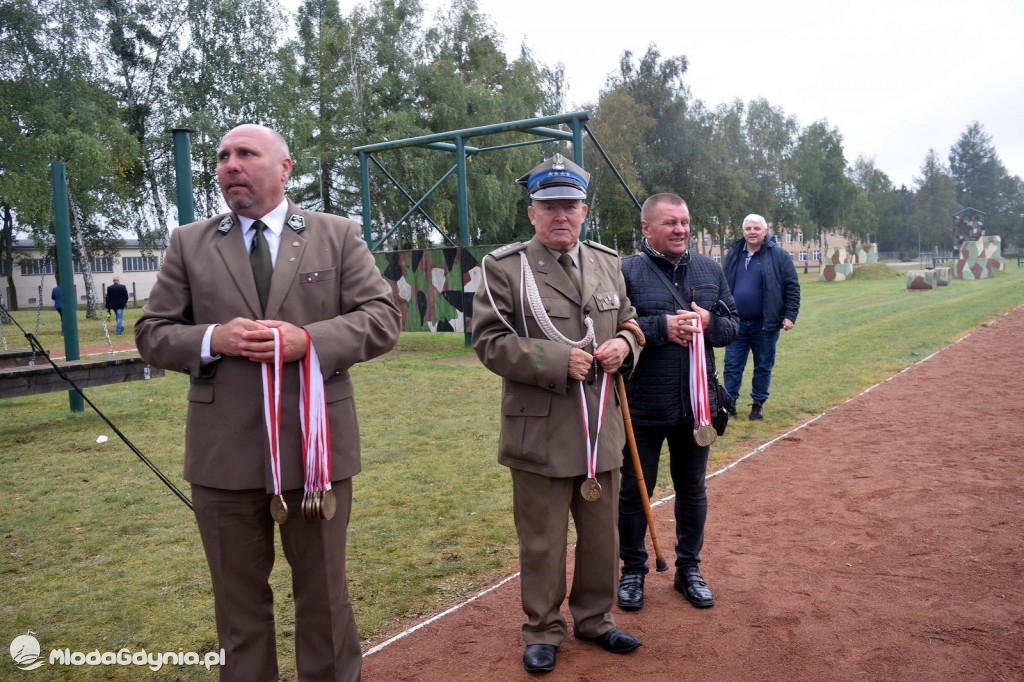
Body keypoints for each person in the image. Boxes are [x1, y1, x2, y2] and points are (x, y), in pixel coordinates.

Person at [135, 123, 401, 682]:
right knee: (238, 607)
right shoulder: (189, 241)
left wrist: (309, 340)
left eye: (245, 154)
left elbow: (382, 319)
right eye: (222, 156)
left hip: (315, 451)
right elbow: (152, 332)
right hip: (223, 456)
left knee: (325, 598)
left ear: (284, 167)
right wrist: (212, 338)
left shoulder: (336, 234)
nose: (229, 164)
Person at [472, 154, 644, 673]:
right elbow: (487, 340)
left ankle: (595, 618)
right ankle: (543, 628)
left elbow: (632, 320)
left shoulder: (607, 261)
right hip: (541, 429)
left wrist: (624, 345)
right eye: (549, 206)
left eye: (569, 205)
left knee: (601, 534)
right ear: (532, 213)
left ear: (584, 209)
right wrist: (550, 358)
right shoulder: (505, 268)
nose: (560, 215)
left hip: (601, 425)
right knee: (543, 539)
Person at [616, 193, 739, 612]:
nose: (681, 230)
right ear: (647, 228)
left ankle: (689, 570)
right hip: (642, 405)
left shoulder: (709, 269)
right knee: (635, 493)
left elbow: (733, 326)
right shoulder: (625, 271)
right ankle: (632, 570)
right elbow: (611, 329)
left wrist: (709, 322)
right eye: (671, 223)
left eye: (685, 222)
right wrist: (658, 327)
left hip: (696, 408)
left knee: (692, 490)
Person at [721, 213, 801, 420]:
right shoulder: (734, 254)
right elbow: (723, 284)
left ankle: (758, 404)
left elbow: (792, 287)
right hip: (736, 323)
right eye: (748, 228)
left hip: (766, 324)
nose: (752, 232)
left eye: (756, 228)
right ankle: (729, 405)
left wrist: (790, 315)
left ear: (765, 231)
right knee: (731, 366)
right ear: (743, 232)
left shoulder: (779, 255)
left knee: (763, 365)